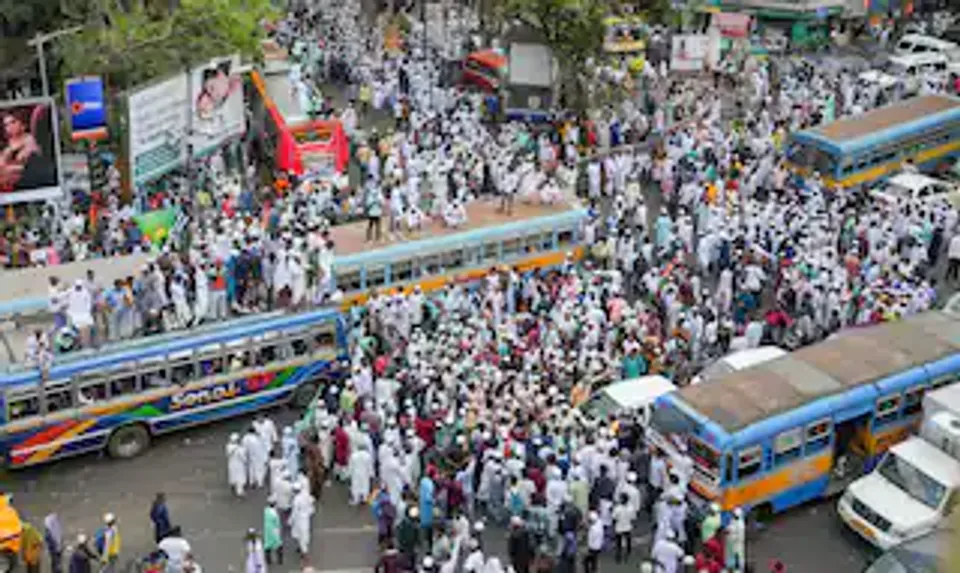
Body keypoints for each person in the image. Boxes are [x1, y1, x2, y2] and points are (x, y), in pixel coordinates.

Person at [289, 483, 316, 560]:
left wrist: (290, 520)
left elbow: (294, 511)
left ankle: (304, 553)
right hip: (306, 517)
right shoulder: (306, 494)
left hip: (299, 519)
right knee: (304, 534)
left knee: (300, 535)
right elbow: (313, 500)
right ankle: (301, 548)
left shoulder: (296, 499)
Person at [263, 498, 284, 566]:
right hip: (274, 530)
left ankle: (268, 560)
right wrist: (279, 528)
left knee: (267, 544)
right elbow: (277, 523)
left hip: (267, 529)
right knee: (278, 544)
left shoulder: (266, 510)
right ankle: (280, 560)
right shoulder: (275, 514)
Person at [725, 507, 746, 572]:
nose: (733, 515)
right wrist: (727, 530)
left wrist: (731, 535)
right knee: (731, 555)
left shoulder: (740, 525)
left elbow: (740, 537)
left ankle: (739, 569)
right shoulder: (734, 520)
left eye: (734, 514)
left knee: (738, 557)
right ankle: (731, 567)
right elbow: (730, 527)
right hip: (731, 542)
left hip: (736, 543)